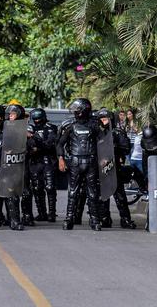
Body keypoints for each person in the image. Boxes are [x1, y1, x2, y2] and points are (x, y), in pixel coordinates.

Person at [57, 98, 102, 231]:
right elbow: (60, 144)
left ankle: (95, 220)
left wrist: (105, 159)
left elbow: (104, 143)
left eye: (77, 110)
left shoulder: (94, 126)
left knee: (92, 193)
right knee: (72, 192)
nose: (75, 113)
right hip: (75, 163)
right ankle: (69, 219)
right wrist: (61, 158)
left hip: (91, 162)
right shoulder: (71, 127)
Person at [96, 108, 137, 229]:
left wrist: (114, 149)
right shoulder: (97, 132)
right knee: (103, 195)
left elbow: (126, 148)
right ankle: (104, 219)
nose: (103, 121)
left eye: (105, 119)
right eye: (101, 119)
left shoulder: (118, 132)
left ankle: (125, 219)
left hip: (115, 167)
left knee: (120, 195)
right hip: (101, 168)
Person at [28, 108, 58, 222]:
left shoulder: (51, 128)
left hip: (48, 161)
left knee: (50, 187)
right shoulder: (30, 128)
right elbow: (28, 145)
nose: (37, 121)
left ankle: (52, 213)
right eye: (35, 119)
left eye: (39, 119)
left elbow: (50, 145)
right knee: (37, 188)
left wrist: (37, 143)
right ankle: (42, 213)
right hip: (35, 162)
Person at [4, 104, 27, 229]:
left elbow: (34, 145)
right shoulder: (4, 128)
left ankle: (25, 217)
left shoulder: (25, 128)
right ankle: (13, 220)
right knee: (10, 194)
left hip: (22, 165)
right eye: (9, 114)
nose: (10, 116)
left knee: (24, 193)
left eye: (13, 114)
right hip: (8, 166)